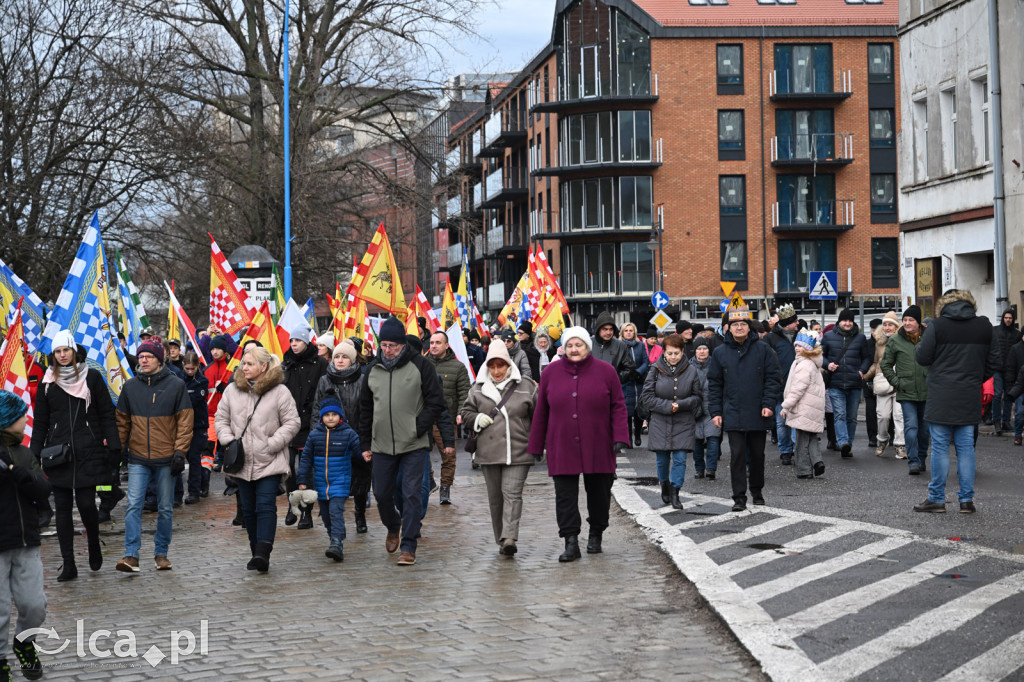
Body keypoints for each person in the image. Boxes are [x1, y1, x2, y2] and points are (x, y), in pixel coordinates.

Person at [527, 326, 628, 562]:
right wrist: (535, 446)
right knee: (565, 496)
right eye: (570, 345)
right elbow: (541, 411)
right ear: (564, 348)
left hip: (598, 441)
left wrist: (620, 437)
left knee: (600, 493)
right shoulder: (550, 373)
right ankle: (570, 540)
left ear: (587, 347)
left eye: (579, 345)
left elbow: (618, 406)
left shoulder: (607, 371)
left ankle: (596, 533)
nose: (574, 349)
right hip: (561, 443)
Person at [29, 331, 121, 581]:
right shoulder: (48, 383)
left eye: (66, 350)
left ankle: (92, 541)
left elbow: (106, 413)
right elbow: (41, 422)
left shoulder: (92, 377)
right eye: (58, 352)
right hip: (58, 454)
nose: (63, 355)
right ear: (54, 355)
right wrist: (34, 453)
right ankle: (68, 563)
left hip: (88, 450)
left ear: (74, 351)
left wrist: (113, 444)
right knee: (62, 508)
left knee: (87, 504)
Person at [357, 317, 446, 566]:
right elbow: (365, 409)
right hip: (381, 444)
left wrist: (417, 426)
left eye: (393, 345)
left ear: (402, 344)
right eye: (384, 345)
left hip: (413, 444)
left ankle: (408, 546)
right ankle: (393, 525)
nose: (387, 350)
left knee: (411, 494)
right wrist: (365, 442)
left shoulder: (421, 366)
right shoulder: (373, 370)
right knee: (382, 494)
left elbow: (436, 401)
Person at [914, 290, 999, 514]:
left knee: (940, 447)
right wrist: (974, 378)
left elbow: (922, 357)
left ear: (944, 306)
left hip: (941, 394)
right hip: (969, 393)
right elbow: (995, 361)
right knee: (966, 447)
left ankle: (937, 499)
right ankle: (966, 500)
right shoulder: (984, 326)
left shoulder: (938, 326)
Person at [215, 346, 300, 570]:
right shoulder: (232, 390)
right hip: (241, 462)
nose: (245, 367)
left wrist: (273, 443)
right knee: (249, 509)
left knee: (265, 505)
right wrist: (228, 440)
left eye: (250, 364)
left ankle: (264, 551)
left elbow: (292, 422)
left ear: (264, 366)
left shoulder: (280, 391)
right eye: (244, 363)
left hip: (269, 460)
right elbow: (221, 419)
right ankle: (256, 551)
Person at [114, 339, 192, 573]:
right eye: (141, 356)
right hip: (138, 457)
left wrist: (180, 452)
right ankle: (131, 555)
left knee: (166, 508)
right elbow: (122, 423)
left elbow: (185, 422)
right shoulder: (130, 387)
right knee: (133, 505)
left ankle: (161, 553)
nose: (143, 360)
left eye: (148, 356)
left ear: (160, 359)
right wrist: (116, 453)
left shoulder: (176, 385)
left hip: (166, 458)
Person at [460, 342, 538, 556]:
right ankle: (502, 538)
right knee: (496, 498)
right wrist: (477, 418)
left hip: (519, 450)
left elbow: (539, 417)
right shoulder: (477, 388)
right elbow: (465, 413)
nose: (496, 371)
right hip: (489, 451)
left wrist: (539, 443)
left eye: (500, 366)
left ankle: (510, 537)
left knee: (512, 494)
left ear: (508, 365)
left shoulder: (526, 386)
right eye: (492, 366)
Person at [707, 307, 782, 512]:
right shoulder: (720, 352)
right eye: (735, 325)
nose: (739, 328)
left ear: (749, 328)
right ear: (728, 329)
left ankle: (757, 492)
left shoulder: (763, 349)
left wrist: (768, 404)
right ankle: (739, 497)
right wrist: (715, 412)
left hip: (758, 410)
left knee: (758, 455)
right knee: (737, 455)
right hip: (732, 411)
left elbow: (773, 379)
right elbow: (714, 385)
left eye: (743, 324)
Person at [0, 391, 50, 681]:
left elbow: (43, 489)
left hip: (26, 540)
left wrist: (24, 475)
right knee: (0, 609)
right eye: (20, 415)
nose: (24, 419)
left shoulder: (23, 452)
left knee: (34, 604)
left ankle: (24, 643)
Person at [310, 340, 371, 533]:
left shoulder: (362, 379)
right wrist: (316, 436)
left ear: (352, 359)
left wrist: (366, 438)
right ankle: (336, 521)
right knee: (335, 481)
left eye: (345, 357)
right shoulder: (324, 380)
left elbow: (368, 410)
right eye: (337, 356)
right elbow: (317, 410)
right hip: (332, 438)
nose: (340, 360)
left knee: (361, 479)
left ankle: (360, 515)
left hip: (358, 437)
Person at [297, 397, 363, 562]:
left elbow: (360, 450)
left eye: (334, 414)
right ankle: (334, 538)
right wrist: (302, 480)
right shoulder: (314, 436)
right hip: (321, 483)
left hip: (340, 482)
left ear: (340, 416)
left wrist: (366, 455)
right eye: (327, 415)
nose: (331, 418)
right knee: (326, 515)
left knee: (335, 511)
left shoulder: (348, 434)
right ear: (321, 417)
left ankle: (337, 542)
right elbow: (306, 459)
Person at [641, 333, 702, 509]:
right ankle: (664, 484)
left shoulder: (691, 370)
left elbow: (697, 397)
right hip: (660, 420)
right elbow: (647, 396)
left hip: (683, 420)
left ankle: (676, 491)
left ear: (682, 352)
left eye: (676, 353)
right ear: (664, 353)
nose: (673, 357)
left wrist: (680, 404)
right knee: (662, 459)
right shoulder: (655, 369)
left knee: (681, 458)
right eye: (669, 353)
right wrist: (668, 406)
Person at [281, 323, 328, 528]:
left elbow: (325, 391)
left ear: (306, 342)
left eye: (298, 340)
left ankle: (306, 513)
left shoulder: (320, 364)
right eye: (291, 341)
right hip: (289, 425)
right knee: (288, 469)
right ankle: (293, 507)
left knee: (306, 471)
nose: (294, 344)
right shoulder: (286, 364)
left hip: (311, 424)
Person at [881, 305, 930, 474]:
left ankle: (922, 458)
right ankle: (913, 461)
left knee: (924, 430)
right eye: (905, 320)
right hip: (906, 391)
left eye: (911, 320)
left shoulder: (929, 338)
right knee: (911, 426)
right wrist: (896, 381)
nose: (907, 323)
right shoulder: (895, 340)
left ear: (919, 322)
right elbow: (885, 364)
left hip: (926, 390)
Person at [426, 331, 470, 505]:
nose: (434, 346)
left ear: (446, 345)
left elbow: (464, 393)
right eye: (431, 342)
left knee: (448, 457)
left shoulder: (458, 367)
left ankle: (445, 489)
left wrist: (461, 412)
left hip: (447, 419)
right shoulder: (422, 364)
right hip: (425, 420)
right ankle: (429, 481)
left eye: (438, 342)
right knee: (421, 455)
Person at [821, 309, 871, 458]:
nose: (848, 323)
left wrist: (862, 370)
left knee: (852, 417)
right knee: (840, 414)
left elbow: (867, 358)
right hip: (835, 383)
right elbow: (820, 356)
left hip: (854, 383)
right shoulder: (828, 337)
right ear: (839, 321)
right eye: (845, 320)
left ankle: (848, 445)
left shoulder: (860, 338)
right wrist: (827, 365)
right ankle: (842, 442)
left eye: (850, 320)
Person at [780, 329, 827, 480]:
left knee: (801, 441)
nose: (797, 348)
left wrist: (786, 406)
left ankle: (804, 470)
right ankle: (817, 461)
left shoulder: (803, 365)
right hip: (813, 407)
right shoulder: (813, 363)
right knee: (811, 437)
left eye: (801, 346)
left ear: (808, 349)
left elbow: (797, 389)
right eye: (796, 346)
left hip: (803, 407)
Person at [864, 312, 905, 458]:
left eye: (891, 324)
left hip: (899, 382)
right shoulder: (879, 342)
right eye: (885, 324)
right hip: (883, 382)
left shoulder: (903, 340)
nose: (887, 327)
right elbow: (876, 363)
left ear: (896, 326)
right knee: (882, 416)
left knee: (899, 416)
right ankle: (882, 440)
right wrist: (866, 375)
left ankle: (900, 445)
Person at [765, 304, 799, 465]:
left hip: (797, 385)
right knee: (781, 421)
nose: (798, 323)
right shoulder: (770, 338)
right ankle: (785, 450)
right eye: (795, 321)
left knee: (796, 419)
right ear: (787, 322)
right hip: (779, 385)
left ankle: (797, 448)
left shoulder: (800, 335)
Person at [181, 352, 210, 503]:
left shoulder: (201, 381)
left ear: (198, 366)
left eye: (192, 369)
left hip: (198, 425)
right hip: (181, 426)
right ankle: (178, 494)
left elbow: (194, 401)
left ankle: (194, 492)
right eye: (187, 369)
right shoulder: (179, 379)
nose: (190, 372)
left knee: (194, 458)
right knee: (179, 458)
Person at [691, 339, 721, 480]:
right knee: (696, 441)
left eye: (704, 348)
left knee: (713, 439)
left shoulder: (716, 364)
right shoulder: (688, 366)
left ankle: (711, 469)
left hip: (712, 405)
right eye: (699, 349)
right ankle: (699, 468)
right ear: (695, 351)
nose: (702, 351)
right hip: (694, 408)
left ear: (709, 350)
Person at [620, 323, 650, 447]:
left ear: (634, 332)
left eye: (631, 330)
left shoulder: (641, 345)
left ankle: (637, 434)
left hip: (638, 381)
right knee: (627, 411)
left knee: (638, 409)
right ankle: (628, 439)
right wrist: (626, 374)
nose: (628, 332)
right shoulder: (619, 346)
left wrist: (638, 372)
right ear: (622, 333)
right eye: (626, 330)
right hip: (625, 382)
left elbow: (645, 361)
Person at [591, 312, 635, 391]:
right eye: (605, 329)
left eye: (611, 329)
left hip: (612, 391)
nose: (608, 332)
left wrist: (615, 379)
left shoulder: (621, 346)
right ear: (598, 329)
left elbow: (630, 368)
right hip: (590, 390)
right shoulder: (588, 344)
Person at [991, 309, 1018, 432]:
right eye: (1006, 317)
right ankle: (996, 421)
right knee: (997, 395)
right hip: (997, 368)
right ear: (1003, 318)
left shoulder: (1016, 335)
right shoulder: (995, 331)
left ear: (1013, 320)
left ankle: (1006, 422)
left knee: (1008, 395)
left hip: (1010, 370)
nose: (1008, 320)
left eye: (1010, 318)